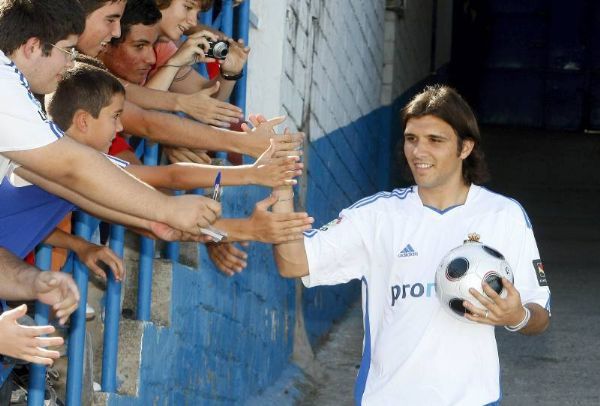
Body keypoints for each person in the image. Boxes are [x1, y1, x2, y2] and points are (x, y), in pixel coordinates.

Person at [271, 85, 551, 405]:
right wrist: (281, 188)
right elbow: (293, 262)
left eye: (435, 140)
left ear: (465, 147)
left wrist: (516, 316)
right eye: (411, 138)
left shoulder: (504, 216)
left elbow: (540, 312)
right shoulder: (377, 216)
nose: (418, 152)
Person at [0, 0, 221, 239]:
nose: (69, 62)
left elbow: (74, 184)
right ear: (33, 47)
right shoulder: (5, 83)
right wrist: (166, 208)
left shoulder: (17, 90)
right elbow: (73, 169)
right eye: (67, 51)